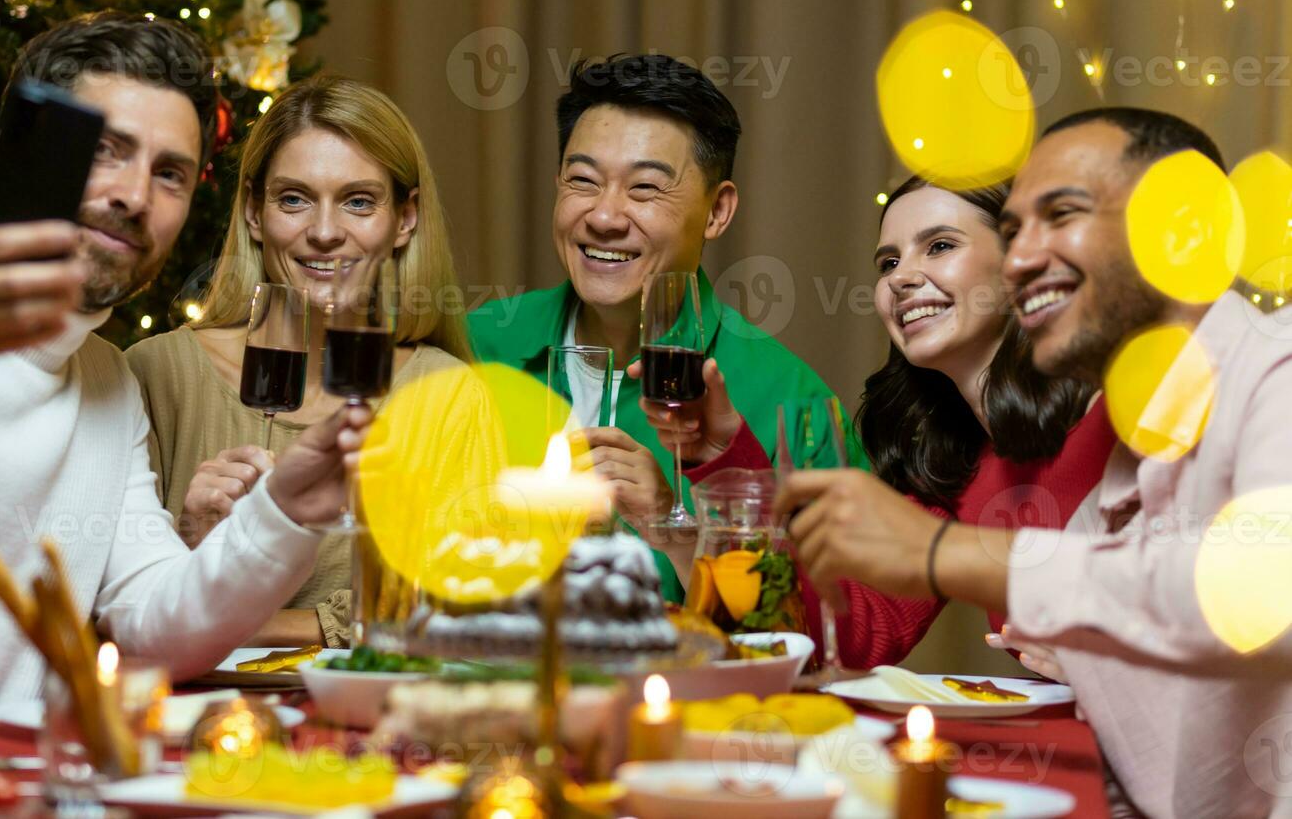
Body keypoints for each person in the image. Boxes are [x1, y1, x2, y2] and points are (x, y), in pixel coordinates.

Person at [0, 13, 366, 778]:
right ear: (23, 153)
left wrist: (287, 513)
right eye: (105, 152)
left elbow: (154, 625)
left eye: (169, 172)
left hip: (27, 791)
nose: (134, 195)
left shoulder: (107, 381)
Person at [778, 107, 1292, 816]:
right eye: (1015, 230)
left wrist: (947, 553)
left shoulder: (1276, 368)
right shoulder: (1128, 467)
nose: (1020, 258)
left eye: (1063, 213)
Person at [651, 175, 1115, 667]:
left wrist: (1105, 667)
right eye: (888, 262)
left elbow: (1194, 606)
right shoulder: (951, 468)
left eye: (939, 246)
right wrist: (722, 452)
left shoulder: (1121, 416)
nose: (900, 277)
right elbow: (849, 639)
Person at [466, 53, 864, 602]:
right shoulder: (472, 349)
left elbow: (833, 629)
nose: (605, 217)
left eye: (646, 188)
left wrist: (671, 525)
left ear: (718, 212)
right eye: (583, 180)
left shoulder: (792, 404)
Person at [125, 73, 477, 648]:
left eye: (358, 202)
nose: (323, 232)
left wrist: (268, 626)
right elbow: (110, 600)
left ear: (405, 220)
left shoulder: (447, 392)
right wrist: (192, 541)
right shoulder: (155, 375)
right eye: (294, 198)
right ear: (255, 213)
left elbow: (452, 607)